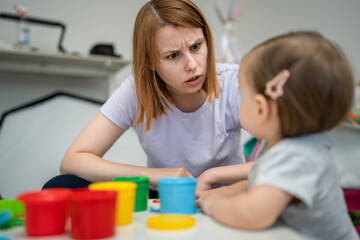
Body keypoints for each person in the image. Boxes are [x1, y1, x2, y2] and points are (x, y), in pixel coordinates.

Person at [43, 0, 253, 198]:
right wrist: (156, 176)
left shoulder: (234, 82)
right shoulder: (135, 90)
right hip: (162, 194)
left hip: (226, 194)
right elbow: (72, 161)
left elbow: (280, 158)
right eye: (173, 56)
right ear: (151, 62)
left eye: (196, 47)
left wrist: (212, 177)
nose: (192, 65)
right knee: (61, 185)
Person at [196, 31, 358, 239]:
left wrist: (213, 204)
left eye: (242, 94)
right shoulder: (283, 144)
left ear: (261, 108)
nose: (239, 101)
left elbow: (252, 213)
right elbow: (255, 185)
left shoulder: (297, 155)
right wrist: (209, 195)